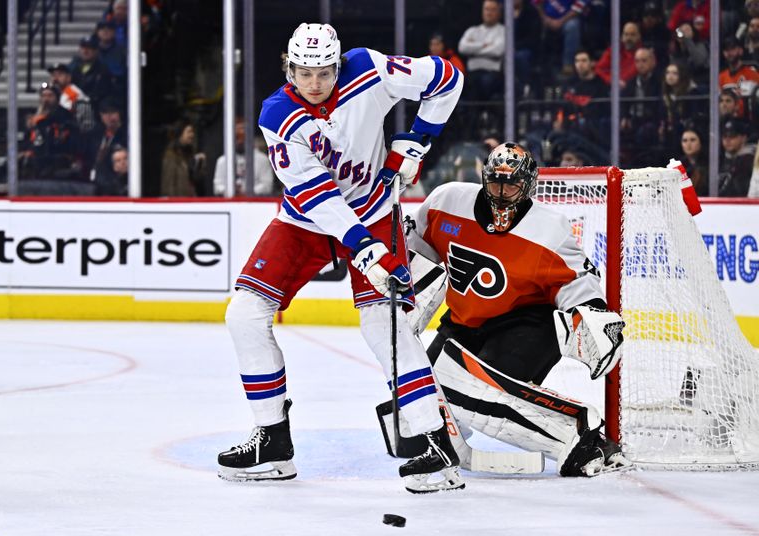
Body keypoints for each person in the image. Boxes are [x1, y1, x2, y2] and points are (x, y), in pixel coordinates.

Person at [217, 23, 466, 494]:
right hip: (309, 219)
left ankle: (434, 446)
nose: (314, 83)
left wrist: (419, 139)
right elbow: (317, 194)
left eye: (325, 72)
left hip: (373, 211)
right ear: (287, 69)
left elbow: (447, 79)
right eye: (304, 73)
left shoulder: (370, 69)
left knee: (385, 326)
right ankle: (272, 439)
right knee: (245, 315)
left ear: (338, 65)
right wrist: (362, 245)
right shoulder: (278, 114)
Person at [399, 142, 630, 477]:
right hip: (463, 324)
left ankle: (581, 434)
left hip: (527, 326)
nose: (503, 193)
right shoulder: (445, 202)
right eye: (495, 183)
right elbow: (418, 258)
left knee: (476, 394)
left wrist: (592, 316)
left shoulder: (547, 229)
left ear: (529, 186)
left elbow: (579, 282)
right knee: (413, 416)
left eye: (512, 185)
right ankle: (450, 436)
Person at [19, 82, 82, 180]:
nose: (46, 99)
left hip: (57, 157)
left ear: (57, 98)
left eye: (50, 95)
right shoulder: (34, 117)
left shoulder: (65, 116)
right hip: (37, 156)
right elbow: (28, 139)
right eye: (43, 96)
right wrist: (25, 151)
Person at [213, 117, 276, 196]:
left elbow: (267, 186)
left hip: (255, 203)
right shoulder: (223, 160)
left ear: (249, 138)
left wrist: (247, 191)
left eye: (242, 137)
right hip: (230, 203)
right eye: (237, 138)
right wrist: (230, 190)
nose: (240, 142)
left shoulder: (262, 159)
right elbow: (217, 187)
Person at [458, 0, 505, 100]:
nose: (489, 13)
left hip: (492, 74)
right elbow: (462, 48)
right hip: (472, 74)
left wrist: (473, 50)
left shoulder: (503, 31)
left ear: (499, 13)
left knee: (484, 82)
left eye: (493, 10)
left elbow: (497, 51)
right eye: (486, 9)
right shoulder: (472, 30)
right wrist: (484, 45)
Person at [161, 120, 207, 196]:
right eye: (189, 132)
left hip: (190, 201)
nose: (192, 135)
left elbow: (196, 180)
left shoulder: (190, 153)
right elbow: (168, 185)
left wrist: (199, 164)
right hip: (178, 203)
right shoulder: (171, 155)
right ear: (180, 134)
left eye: (192, 132)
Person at [48, 62, 95, 132]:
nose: (55, 78)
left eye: (60, 74)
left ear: (69, 78)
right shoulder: (54, 94)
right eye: (53, 75)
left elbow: (64, 116)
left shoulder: (73, 93)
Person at [595, 21, 642, 87]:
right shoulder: (613, 50)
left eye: (632, 35)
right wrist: (613, 81)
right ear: (622, 37)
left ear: (639, 36)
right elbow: (599, 69)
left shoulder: (643, 54)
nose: (629, 38)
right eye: (626, 34)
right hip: (612, 87)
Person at [719, 117, 755, 196]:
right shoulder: (720, 160)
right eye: (725, 136)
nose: (727, 140)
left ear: (744, 138)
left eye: (732, 136)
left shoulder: (750, 161)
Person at [680, 126, 709, 196]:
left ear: (700, 142)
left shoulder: (710, 164)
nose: (688, 144)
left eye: (692, 140)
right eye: (685, 140)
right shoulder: (678, 165)